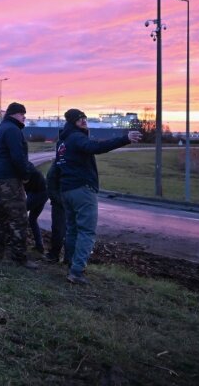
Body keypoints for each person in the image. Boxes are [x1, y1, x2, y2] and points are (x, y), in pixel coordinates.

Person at [56, 108, 141, 284]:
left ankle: (70, 263)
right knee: (86, 231)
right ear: (73, 122)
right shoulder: (77, 137)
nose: (84, 121)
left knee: (72, 229)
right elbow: (96, 147)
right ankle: (76, 271)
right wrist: (124, 139)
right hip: (82, 189)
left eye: (85, 118)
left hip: (67, 190)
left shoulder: (62, 142)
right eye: (80, 119)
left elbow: (58, 167)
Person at [0, 102, 39, 269]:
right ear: (14, 114)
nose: (24, 116)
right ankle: (19, 258)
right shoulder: (12, 130)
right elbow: (17, 156)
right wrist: (25, 176)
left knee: (2, 216)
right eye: (22, 113)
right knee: (19, 218)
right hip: (9, 179)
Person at [42, 161, 65, 263]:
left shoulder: (60, 162)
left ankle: (56, 255)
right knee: (59, 229)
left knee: (60, 229)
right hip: (60, 201)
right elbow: (51, 181)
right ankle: (55, 254)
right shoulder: (60, 163)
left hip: (62, 201)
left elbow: (50, 181)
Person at [24, 165, 48, 253]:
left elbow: (24, 180)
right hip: (43, 192)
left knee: (19, 214)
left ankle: (19, 242)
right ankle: (39, 246)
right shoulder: (27, 165)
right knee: (32, 219)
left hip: (38, 192)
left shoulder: (24, 167)